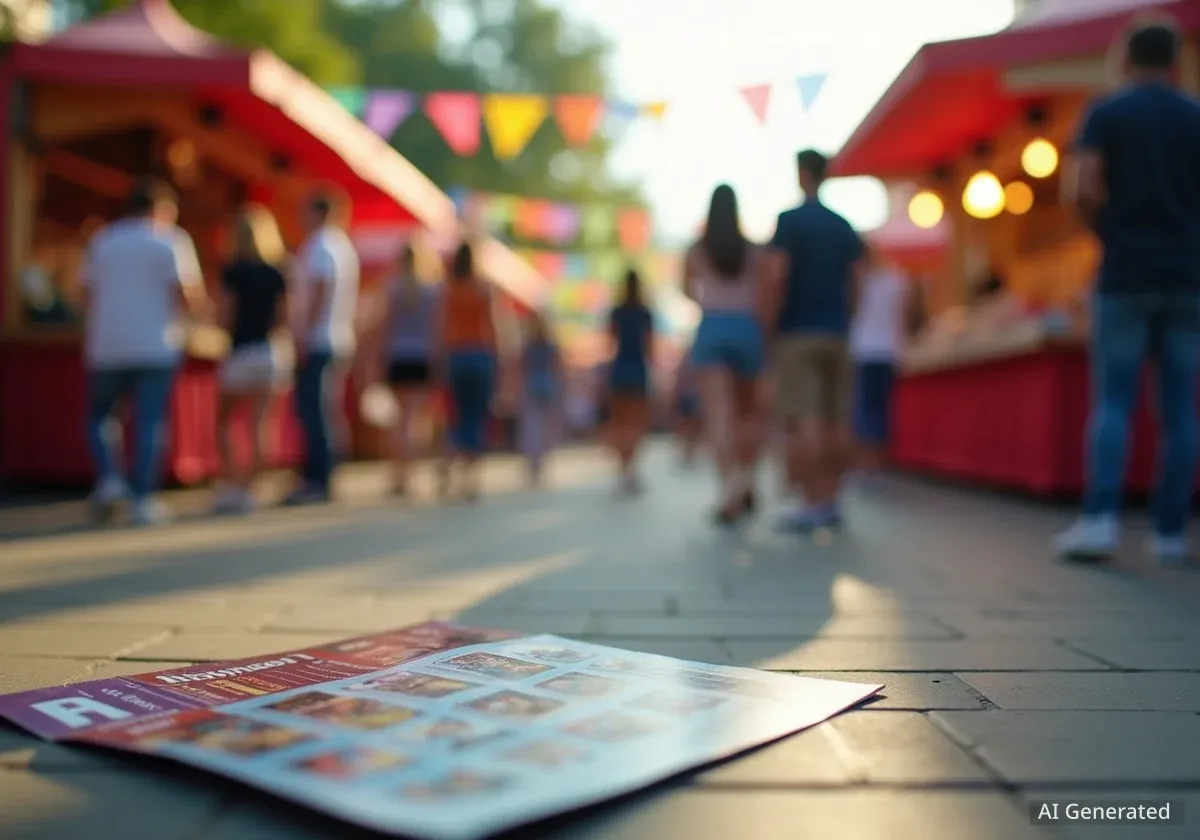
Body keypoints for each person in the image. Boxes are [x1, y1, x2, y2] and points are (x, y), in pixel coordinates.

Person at [1055, 17, 1200, 565]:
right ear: (1172, 59)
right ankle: (1169, 531)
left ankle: (1100, 520)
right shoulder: (1194, 115)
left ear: (1126, 58)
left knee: (1114, 399)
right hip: (1189, 275)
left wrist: (1111, 234)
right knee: (1180, 409)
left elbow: (1083, 187)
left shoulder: (1107, 112)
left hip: (1126, 273)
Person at [82, 178, 209, 526]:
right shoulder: (170, 241)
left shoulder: (103, 240)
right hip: (157, 344)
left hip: (107, 344)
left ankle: (109, 478)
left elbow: (85, 294)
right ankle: (141, 498)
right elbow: (187, 295)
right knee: (150, 421)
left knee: (100, 417)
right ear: (163, 209)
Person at [764, 149, 867, 531]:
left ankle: (812, 501)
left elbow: (777, 276)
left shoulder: (789, 221)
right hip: (837, 331)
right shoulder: (843, 226)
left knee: (804, 420)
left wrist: (770, 325)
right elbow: (858, 282)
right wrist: (847, 318)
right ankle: (832, 499)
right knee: (837, 420)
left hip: (797, 331)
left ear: (801, 173)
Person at [685, 184, 774, 523]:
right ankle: (748, 479)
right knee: (749, 416)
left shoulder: (696, 251)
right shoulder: (754, 251)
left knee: (718, 418)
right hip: (746, 330)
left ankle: (729, 487)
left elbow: (688, 291)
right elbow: (765, 296)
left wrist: (713, 303)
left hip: (712, 328)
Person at [213, 206, 290, 515]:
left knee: (224, 421)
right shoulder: (277, 272)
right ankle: (248, 488)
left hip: (241, 351)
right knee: (262, 426)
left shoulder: (232, 272)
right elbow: (285, 318)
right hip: (270, 352)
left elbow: (224, 317)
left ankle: (234, 483)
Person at [287, 192, 360, 506]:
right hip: (336, 337)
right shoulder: (342, 245)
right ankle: (326, 473)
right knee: (325, 409)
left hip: (319, 339)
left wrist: (303, 334)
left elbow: (319, 290)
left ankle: (318, 478)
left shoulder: (321, 244)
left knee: (313, 410)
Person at [434, 242, 499, 501]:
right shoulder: (483, 288)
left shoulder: (449, 289)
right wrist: (499, 361)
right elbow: (494, 326)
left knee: (456, 415)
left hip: (456, 355)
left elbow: (440, 327)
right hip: (480, 355)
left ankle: (448, 464)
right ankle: (470, 479)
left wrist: (440, 359)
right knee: (476, 415)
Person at [380, 244, 439, 498]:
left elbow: (384, 325)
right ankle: (411, 472)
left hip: (398, 357)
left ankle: (398, 472)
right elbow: (437, 328)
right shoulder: (432, 291)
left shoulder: (393, 288)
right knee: (414, 419)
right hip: (421, 358)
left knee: (399, 419)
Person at [847, 245, 910, 480]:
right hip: (888, 351)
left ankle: (865, 463)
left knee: (863, 408)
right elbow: (903, 318)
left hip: (863, 351)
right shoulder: (897, 281)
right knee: (882, 408)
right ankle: (881, 462)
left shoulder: (859, 283)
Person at [606, 269, 654, 494]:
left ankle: (623, 466)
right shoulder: (645, 313)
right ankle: (630, 467)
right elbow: (649, 347)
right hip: (638, 370)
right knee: (636, 423)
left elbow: (610, 342)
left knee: (620, 422)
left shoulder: (617, 312)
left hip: (620, 369)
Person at [518, 310, 564, 486]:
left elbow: (522, 368)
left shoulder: (528, 345)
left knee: (532, 427)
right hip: (548, 386)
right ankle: (540, 461)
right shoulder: (550, 345)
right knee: (545, 427)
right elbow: (557, 368)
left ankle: (534, 461)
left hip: (532, 386)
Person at [670, 353, 702, 468]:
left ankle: (689, 449)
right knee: (689, 426)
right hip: (690, 398)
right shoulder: (695, 361)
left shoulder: (692, 362)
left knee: (691, 426)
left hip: (692, 397)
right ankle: (688, 449)